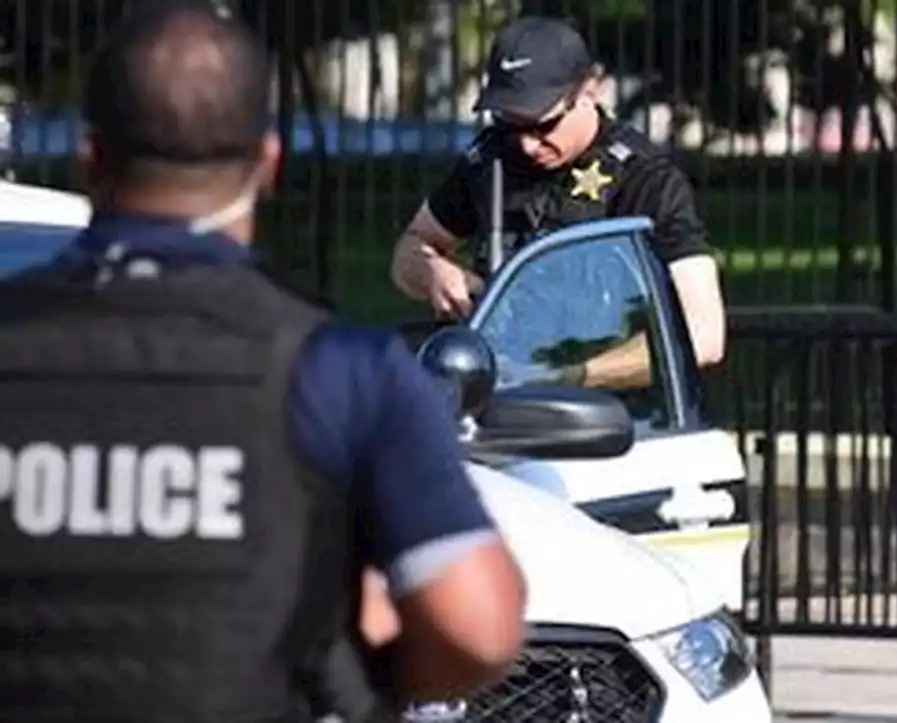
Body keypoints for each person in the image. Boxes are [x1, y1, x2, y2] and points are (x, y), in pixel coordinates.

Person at [0, 3, 526, 721]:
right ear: (269, 162)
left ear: (90, 158)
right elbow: (479, 626)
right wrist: (363, 679)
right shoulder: (341, 368)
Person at [389, 15, 726, 391]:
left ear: (590, 90)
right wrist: (433, 272)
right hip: (492, 402)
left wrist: (568, 377)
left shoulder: (647, 181)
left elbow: (703, 336)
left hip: (609, 420)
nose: (526, 145)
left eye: (543, 124)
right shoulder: (491, 159)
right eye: (511, 123)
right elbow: (411, 247)